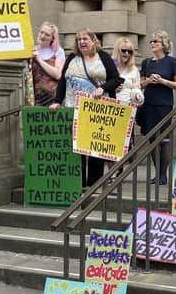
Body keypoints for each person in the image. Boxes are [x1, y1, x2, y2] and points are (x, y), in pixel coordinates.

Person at [51, 29, 121, 187]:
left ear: (93, 41)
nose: (82, 42)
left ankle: (94, 185)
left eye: (85, 39)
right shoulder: (72, 58)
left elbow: (116, 79)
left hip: (97, 111)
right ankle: (79, 184)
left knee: (94, 148)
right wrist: (57, 100)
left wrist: (103, 89)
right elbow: (62, 80)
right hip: (73, 108)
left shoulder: (103, 57)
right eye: (79, 40)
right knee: (77, 148)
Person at [139, 30, 176, 185]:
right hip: (148, 104)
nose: (152, 44)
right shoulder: (146, 62)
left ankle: (163, 174)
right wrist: (149, 81)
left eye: (155, 42)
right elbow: (140, 84)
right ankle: (157, 173)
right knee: (151, 139)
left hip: (164, 104)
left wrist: (163, 81)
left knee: (163, 139)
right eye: (151, 42)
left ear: (163, 44)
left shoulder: (172, 62)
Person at [28, 22, 67, 106]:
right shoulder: (31, 50)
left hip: (53, 98)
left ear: (52, 39)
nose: (42, 36)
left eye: (47, 35)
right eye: (41, 32)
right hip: (34, 98)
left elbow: (58, 75)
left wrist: (39, 60)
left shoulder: (58, 51)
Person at [114, 37, 144, 107]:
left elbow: (136, 88)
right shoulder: (109, 66)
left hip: (126, 110)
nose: (127, 53)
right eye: (124, 50)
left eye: (130, 51)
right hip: (109, 110)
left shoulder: (134, 70)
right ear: (117, 51)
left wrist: (137, 95)